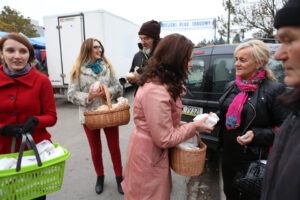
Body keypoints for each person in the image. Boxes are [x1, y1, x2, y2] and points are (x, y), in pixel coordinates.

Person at [121, 33, 214, 200]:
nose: (191, 64)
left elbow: (166, 124)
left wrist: (197, 122)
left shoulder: (163, 84)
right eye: (188, 59)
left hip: (152, 154)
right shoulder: (156, 91)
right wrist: (194, 127)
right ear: (175, 60)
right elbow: (164, 137)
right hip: (147, 157)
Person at [217, 40, 289, 200]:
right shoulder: (231, 86)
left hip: (253, 162)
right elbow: (223, 113)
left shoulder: (273, 90)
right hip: (229, 158)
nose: (236, 64)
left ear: (260, 63)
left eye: (242, 60)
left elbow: (286, 130)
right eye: (236, 59)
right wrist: (212, 119)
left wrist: (256, 135)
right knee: (230, 194)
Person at [0, 33, 57, 200]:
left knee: (35, 197)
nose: (17, 56)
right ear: (2, 54)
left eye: (23, 51)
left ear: (30, 56)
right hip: (3, 155)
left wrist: (36, 120)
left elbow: (51, 116)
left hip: (34, 154)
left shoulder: (42, 81)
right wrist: (2, 128)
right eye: (10, 50)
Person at [67, 38, 124, 195]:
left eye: (100, 47)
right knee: (95, 149)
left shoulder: (107, 67)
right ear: (87, 50)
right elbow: (71, 94)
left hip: (108, 114)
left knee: (114, 148)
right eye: (96, 47)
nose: (100, 50)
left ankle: (120, 177)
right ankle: (100, 176)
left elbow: (119, 88)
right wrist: (90, 96)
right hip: (90, 116)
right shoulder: (78, 69)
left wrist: (107, 91)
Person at [261, 0, 300, 199]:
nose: (278, 55)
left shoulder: (275, 91)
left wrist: (256, 135)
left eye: (289, 40)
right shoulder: (295, 112)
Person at [126, 20, 161, 88]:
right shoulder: (137, 56)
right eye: (141, 39)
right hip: (140, 97)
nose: (143, 42)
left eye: (146, 38)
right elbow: (132, 74)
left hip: (158, 97)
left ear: (155, 39)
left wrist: (140, 74)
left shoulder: (163, 55)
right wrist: (132, 80)